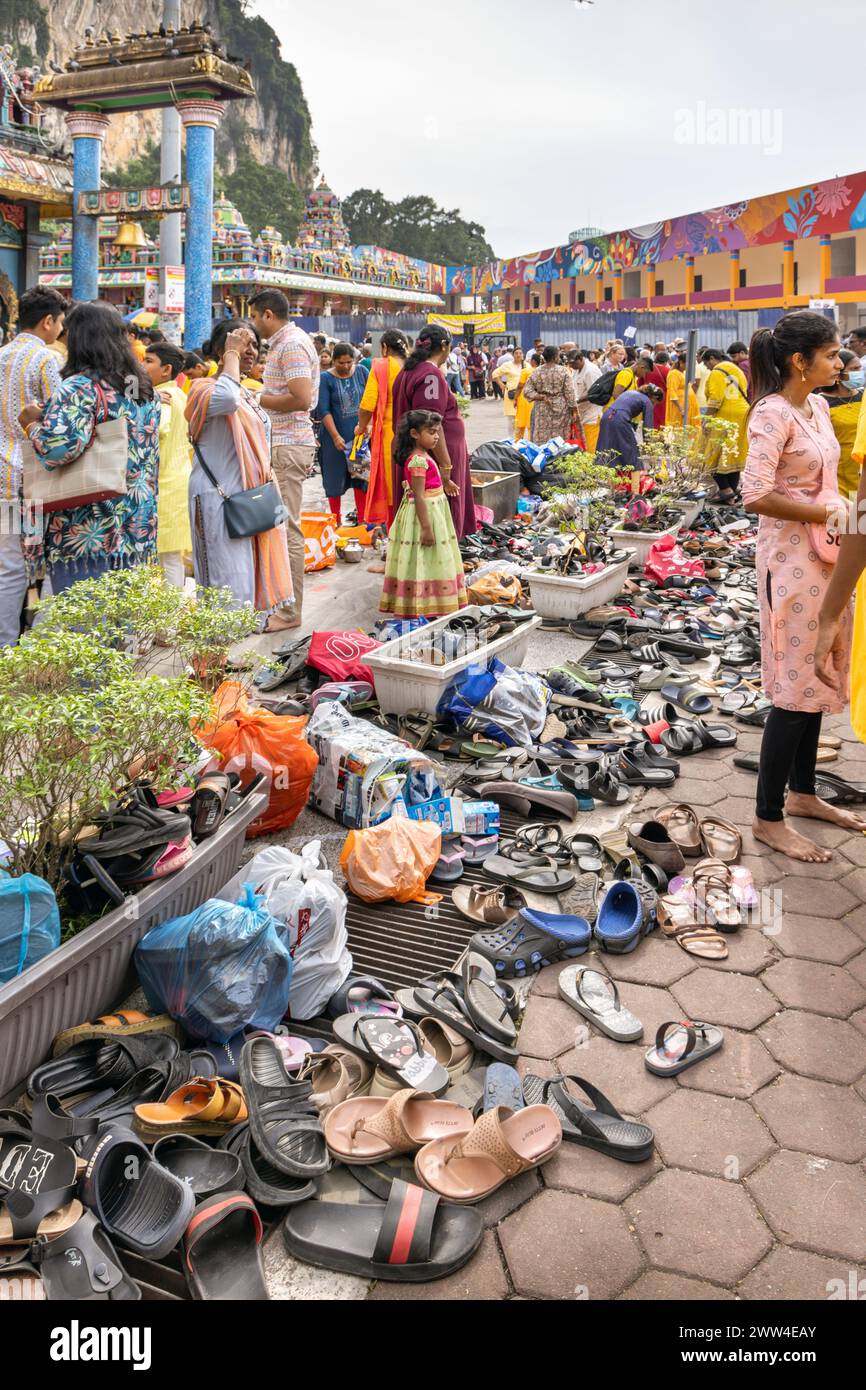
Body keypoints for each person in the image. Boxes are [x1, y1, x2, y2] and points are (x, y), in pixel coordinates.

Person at [741, 310, 864, 863]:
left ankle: (804, 792)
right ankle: (768, 818)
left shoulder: (814, 405)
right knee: (792, 689)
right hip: (790, 563)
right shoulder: (771, 414)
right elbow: (754, 494)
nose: (841, 361)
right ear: (800, 360)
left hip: (826, 557)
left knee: (814, 677)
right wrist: (822, 513)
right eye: (833, 353)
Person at [19, 301, 159, 595]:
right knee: (125, 629)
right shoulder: (141, 388)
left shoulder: (78, 387)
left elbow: (58, 449)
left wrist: (32, 424)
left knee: (87, 631)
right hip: (136, 530)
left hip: (88, 535)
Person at [185, 319, 293, 629]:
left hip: (247, 499)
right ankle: (211, 662)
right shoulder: (202, 388)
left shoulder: (246, 392)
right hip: (218, 500)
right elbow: (226, 400)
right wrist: (230, 355)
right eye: (241, 343)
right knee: (225, 581)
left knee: (245, 581)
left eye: (254, 345)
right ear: (222, 349)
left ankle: (227, 658)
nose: (250, 351)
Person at [248, 288, 319, 631]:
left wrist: (257, 398)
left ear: (267, 314)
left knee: (288, 529)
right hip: (284, 444)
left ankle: (290, 613)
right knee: (280, 527)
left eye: (253, 315)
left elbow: (301, 398)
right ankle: (281, 605)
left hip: (288, 445)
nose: (253, 323)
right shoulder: (286, 342)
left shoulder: (290, 344)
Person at [0, 286, 65, 644]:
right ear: (48, 321)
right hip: (31, 480)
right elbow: (59, 417)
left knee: (8, 567)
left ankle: (6, 644)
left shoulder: (2, 355)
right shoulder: (45, 360)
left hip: (2, 479)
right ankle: (27, 644)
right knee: (34, 566)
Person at [390, 325, 476, 539]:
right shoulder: (430, 375)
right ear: (445, 346)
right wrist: (445, 466)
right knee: (438, 511)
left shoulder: (408, 371)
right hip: (431, 459)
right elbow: (430, 424)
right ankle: (440, 560)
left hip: (414, 454)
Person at [380, 409, 467, 619]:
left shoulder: (425, 456)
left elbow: (429, 484)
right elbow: (419, 497)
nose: (436, 436)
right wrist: (426, 528)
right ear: (414, 434)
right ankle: (422, 603)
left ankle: (430, 602)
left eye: (437, 432)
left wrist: (445, 483)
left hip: (434, 511)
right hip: (425, 516)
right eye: (431, 432)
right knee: (423, 557)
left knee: (429, 559)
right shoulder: (418, 461)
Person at [143, 340, 192, 589]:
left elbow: (159, 429)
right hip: (178, 480)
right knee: (171, 558)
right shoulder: (181, 395)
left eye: (149, 361)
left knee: (168, 558)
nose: (143, 366)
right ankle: (167, 623)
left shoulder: (164, 398)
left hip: (165, 484)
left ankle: (168, 626)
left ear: (166, 369)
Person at [357, 329, 408, 527]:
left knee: (391, 487)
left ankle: (393, 536)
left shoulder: (381, 366)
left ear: (385, 347)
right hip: (414, 433)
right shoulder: (413, 366)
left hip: (389, 436)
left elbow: (367, 405)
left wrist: (361, 426)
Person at [317, 342, 369, 525]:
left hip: (359, 438)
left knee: (361, 478)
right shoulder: (325, 378)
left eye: (349, 362)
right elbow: (323, 410)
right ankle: (335, 522)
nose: (346, 366)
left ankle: (363, 521)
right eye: (341, 363)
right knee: (334, 479)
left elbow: (370, 402)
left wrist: (367, 425)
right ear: (333, 360)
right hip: (334, 438)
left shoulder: (362, 372)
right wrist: (335, 436)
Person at [816, 349, 864, 498]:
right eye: (854, 369)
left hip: (862, 465)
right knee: (850, 516)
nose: (859, 373)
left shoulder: (863, 396)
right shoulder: (820, 402)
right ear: (838, 373)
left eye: (859, 368)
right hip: (838, 471)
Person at [703, 347, 751, 498]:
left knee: (713, 452)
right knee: (733, 452)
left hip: (725, 414)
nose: (706, 367)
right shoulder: (735, 369)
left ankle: (725, 489)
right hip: (742, 413)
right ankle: (731, 488)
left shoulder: (718, 370)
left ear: (712, 358)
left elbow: (716, 398)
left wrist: (707, 420)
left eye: (706, 363)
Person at [596, 386, 662, 471]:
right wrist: (650, 449)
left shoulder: (631, 393)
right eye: (656, 403)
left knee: (606, 447)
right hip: (620, 419)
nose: (654, 405)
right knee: (632, 451)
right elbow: (648, 429)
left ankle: (601, 473)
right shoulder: (647, 401)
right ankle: (635, 479)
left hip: (606, 417)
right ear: (654, 397)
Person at [523, 344, 579, 443]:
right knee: (560, 438)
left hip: (542, 408)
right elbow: (569, 392)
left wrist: (540, 396)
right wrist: (574, 409)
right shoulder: (563, 371)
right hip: (561, 409)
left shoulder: (537, 371)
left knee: (542, 437)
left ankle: (542, 456)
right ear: (555, 357)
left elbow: (527, 391)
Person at [570, 349, 602, 451]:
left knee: (590, 447)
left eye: (573, 363)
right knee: (582, 446)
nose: (571, 366)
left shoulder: (591, 370)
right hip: (581, 413)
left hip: (591, 415)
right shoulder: (576, 369)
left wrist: (576, 400)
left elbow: (594, 393)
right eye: (569, 363)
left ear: (580, 359)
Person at [491, 350, 523, 437]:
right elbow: (495, 373)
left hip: (522, 395)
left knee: (521, 418)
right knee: (511, 418)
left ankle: (520, 439)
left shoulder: (526, 365)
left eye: (520, 353)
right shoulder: (508, 365)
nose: (518, 355)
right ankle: (511, 439)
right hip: (511, 394)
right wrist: (501, 384)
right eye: (516, 353)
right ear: (513, 355)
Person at [665, 356, 701, 428]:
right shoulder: (674, 374)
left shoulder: (682, 373)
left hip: (688, 406)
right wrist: (681, 408)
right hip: (680, 408)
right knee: (680, 428)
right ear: (681, 362)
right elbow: (672, 392)